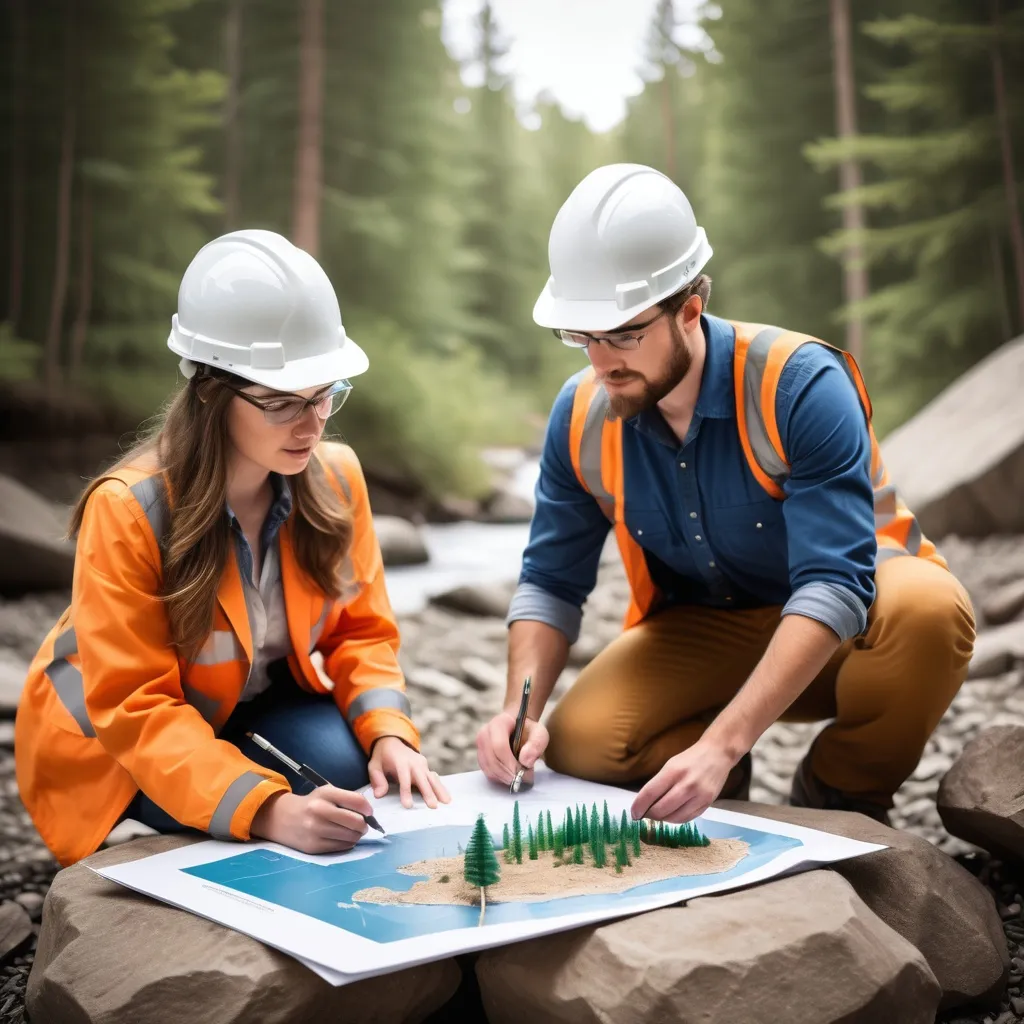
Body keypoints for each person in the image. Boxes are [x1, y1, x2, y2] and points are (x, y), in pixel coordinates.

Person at [476, 164, 975, 826]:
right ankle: (717, 779)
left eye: (624, 334)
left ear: (689, 310)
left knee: (932, 612)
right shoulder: (580, 415)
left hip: (854, 623)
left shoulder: (800, 385)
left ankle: (840, 789)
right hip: (702, 628)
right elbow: (550, 583)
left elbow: (834, 582)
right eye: (582, 336)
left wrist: (723, 740)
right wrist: (522, 707)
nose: (600, 362)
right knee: (582, 747)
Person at [16, 229, 448, 868]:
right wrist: (267, 810)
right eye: (280, 404)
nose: (311, 424)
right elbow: (136, 707)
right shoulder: (128, 508)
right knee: (299, 803)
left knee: (349, 772)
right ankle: (143, 832)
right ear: (211, 395)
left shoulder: (335, 477)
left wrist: (392, 735)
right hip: (116, 748)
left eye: (325, 395)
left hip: (238, 706)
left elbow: (361, 634)